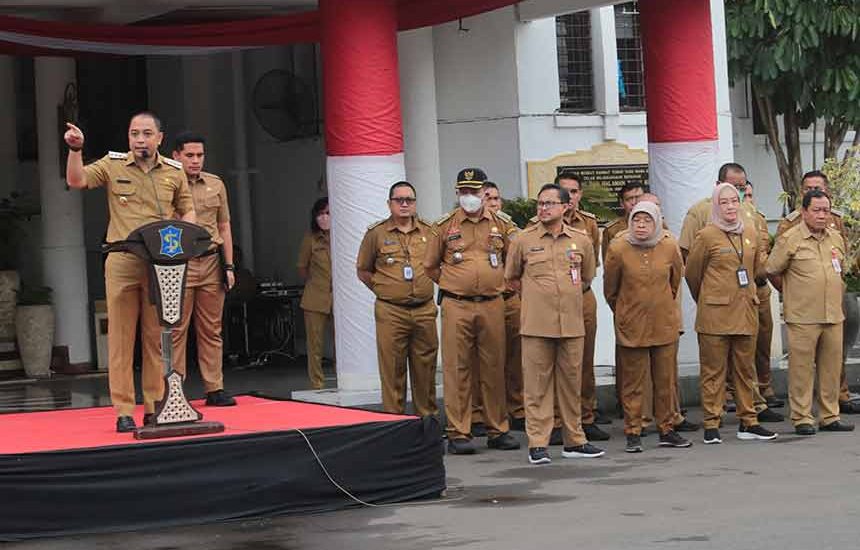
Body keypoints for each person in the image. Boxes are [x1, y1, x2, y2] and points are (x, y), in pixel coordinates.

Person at [63, 112, 196, 432]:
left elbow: (187, 208)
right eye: (134, 133)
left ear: (159, 139)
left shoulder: (174, 172)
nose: (140, 139)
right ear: (128, 137)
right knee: (121, 339)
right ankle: (123, 408)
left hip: (159, 265)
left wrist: (186, 236)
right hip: (122, 260)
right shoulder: (113, 164)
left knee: (155, 338)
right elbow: (76, 180)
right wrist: (76, 150)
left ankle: (152, 405)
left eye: (147, 133)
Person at [505, 183, 605, 464]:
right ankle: (538, 443)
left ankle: (574, 440)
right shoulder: (523, 240)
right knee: (536, 385)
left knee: (572, 384)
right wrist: (538, 297)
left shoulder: (581, 239)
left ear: (565, 207)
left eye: (550, 203)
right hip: (536, 324)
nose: (543, 208)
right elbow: (511, 277)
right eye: (540, 203)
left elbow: (586, 276)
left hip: (571, 323)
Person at [677, 163, 783, 423]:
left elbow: (759, 258)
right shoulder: (701, 216)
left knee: (750, 361)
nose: (732, 202)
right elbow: (692, 268)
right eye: (729, 193)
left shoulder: (750, 217)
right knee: (715, 366)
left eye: (739, 190)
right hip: (717, 302)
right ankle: (714, 417)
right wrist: (709, 295)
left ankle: (753, 413)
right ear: (717, 188)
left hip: (749, 298)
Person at [424, 168, 519, 455]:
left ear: (483, 193)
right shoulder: (444, 226)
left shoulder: (501, 224)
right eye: (463, 192)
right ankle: (458, 432)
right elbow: (430, 266)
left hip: (492, 303)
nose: (469, 197)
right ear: (457, 193)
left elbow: (514, 260)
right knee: (457, 369)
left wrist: (502, 284)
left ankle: (497, 429)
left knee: (493, 367)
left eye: (474, 192)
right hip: (456, 304)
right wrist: (455, 284)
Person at [604, 200, 691, 452]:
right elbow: (611, 288)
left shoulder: (668, 244)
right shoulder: (619, 247)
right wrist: (625, 311)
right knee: (633, 382)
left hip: (663, 323)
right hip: (632, 324)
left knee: (665, 380)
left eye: (647, 220)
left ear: (657, 221)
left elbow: (675, 282)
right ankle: (633, 430)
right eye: (637, 220)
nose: (641, 225)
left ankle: (667, 428)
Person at [767, 189, 854, 435]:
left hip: (833, 315)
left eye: (825, 210)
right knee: (801, 369)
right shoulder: (790, 238)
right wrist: (794, 293)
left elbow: (841, 270)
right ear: (804, 212)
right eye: (816, 210)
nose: (821, 215)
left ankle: (829, 416)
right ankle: (802, 417)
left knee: (831, 368)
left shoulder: (836, 237)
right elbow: (771, 269)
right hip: (803, 316)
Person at [167, 132, 237, 411]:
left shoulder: (215, 184)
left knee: (212, 329)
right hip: (178, 263)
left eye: (200, 155)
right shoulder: (167, 185)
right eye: (190, 155)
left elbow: (224, 227)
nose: (196, 161)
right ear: (176, 156)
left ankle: (215, 388)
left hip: (210, 262)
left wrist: (229, 266)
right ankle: (174, 390)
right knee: (175, 329)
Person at [356, 181, 438, 416]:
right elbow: (363, 270)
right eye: (399, 200)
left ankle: (427, 423)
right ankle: (395, 423)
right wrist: (386, 289)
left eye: (409, 200)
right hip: (391, 311)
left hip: (424, 310)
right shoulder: (376, 234)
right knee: (393, 370)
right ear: (389, 203)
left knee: (426, 368)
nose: (404, 204)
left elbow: (439, 265)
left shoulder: (430, 231)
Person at [467, 181, 524, 432]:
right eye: (487, 197)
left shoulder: (506, 227)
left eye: (496, 198)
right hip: (483, 302)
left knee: (514, 358)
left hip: (508, 300)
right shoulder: (463, 226)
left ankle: (517, 409)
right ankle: (479, 414)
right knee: (480, 361)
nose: (493, 202)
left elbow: (521, 258)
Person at [298, 197, 333, 390]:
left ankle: (343, 379)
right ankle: (317, 384)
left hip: (340, 298)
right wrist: (316, 282)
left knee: (343, 344)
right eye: (320, 214)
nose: (324, 218)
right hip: (315, 297)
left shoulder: (342, 236)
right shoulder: (310, 239)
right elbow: (302, 268)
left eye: (327, 213)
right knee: (315, 345)